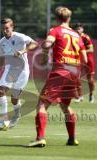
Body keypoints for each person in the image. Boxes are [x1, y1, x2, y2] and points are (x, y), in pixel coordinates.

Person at [26, 6, 87, 147]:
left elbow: (47, 44)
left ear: (56, 18)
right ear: (69, 18)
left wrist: (45, 55)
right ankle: (72, 138)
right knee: (65, 106)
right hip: (74, 72)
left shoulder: (55, 30)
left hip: (60, 71)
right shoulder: (76, 35)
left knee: (42, 104)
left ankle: (40, 138)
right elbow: (84, 57)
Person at [0, 18, 38, 129]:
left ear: (12, 27)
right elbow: (2, 59)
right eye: (3, 29)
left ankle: (17, 114)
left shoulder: (20, 37)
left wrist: (22, 51)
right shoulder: (1, 42)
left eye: (7, 28)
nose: (5, 31)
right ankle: (4, 119)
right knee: (1, 90)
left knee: (14, 98)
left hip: (22, 70)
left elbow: (35, 44)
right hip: (9, 69)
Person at [73, 23, 95, 103]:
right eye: (76, 29)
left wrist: (82, 51)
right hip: (78, 60)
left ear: (82, 29)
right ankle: (80, 96)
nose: (78, 30)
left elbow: (91, 50)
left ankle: (91, 94)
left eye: (80, 28)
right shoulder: (73, 37)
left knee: (90, 80)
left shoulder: (85, 37)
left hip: (88, 60)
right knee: (76, 78)